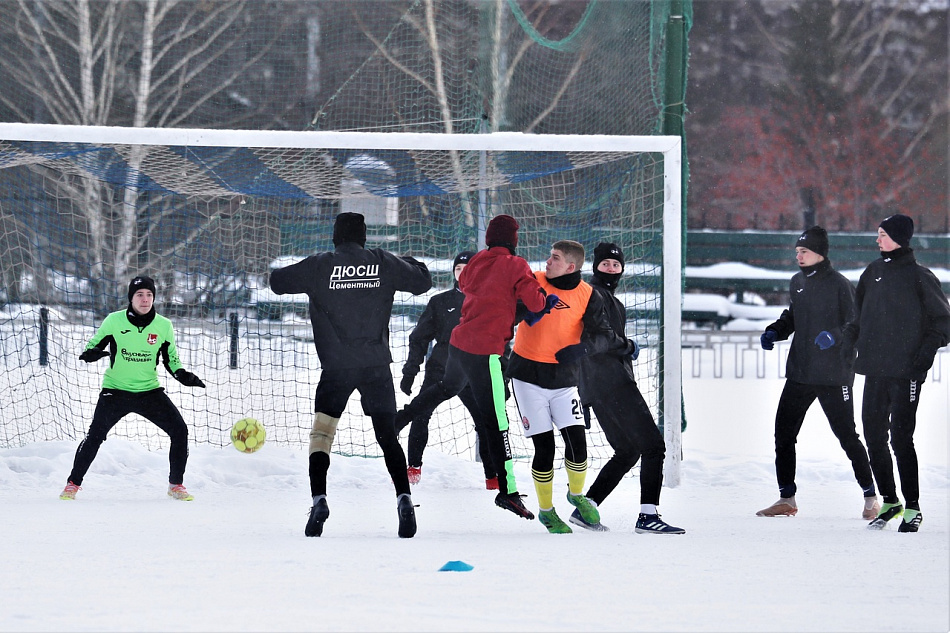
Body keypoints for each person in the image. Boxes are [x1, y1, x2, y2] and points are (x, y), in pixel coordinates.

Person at [269, 212, 432, 538]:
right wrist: (400, 261)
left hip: (336, 368)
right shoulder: (382, 261)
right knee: (388, 437)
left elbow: (276, 282)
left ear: (335, 236)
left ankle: (319, 499)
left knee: (322, 436)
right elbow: (422, 281)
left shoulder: (319, 264)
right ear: (364, 237)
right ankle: (403, 498)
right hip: (375, 366)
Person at [394, 214, 550, 521]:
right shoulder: (517, 266)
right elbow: (536, 304)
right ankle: (508, 491)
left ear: (489, 238)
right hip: (487, 352)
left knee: (445, 388)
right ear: (513, 240)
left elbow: (464, 283)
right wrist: (540, 296)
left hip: (459, 345)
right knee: (497, 422)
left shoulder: (477, 261)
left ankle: (400, 419)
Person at [506, 240, 629, 534]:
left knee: (578, 443)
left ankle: (575, 495)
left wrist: (582, 350)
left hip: (564, 380)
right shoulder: (533, 281)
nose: (548, 261)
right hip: (527, 377)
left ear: (571, 267)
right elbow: (507, 312)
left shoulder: (588, 295)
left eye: (555, 258)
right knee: (544, 447)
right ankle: (547, 512)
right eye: (549, 256)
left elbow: (605, 336)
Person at [756, 227, 879, 519]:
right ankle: (786, 498)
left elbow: (856, 323)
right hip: (800, 371)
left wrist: (834, 336)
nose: (798, 256)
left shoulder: (839, 284)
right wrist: (776, 331)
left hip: (834, 375)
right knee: (783, 434)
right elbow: (794, 315)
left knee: (847, 435)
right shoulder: (797, 282)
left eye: (804, 252)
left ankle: (871, 497)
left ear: (820, 254)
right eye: (797, 251)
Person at [842, 214, 950, 532]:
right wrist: (847, 344)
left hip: (906, 372)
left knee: (901, 438)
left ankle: (913, 507)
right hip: (874, 369)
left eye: (882, 234)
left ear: (900, 238)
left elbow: (943, 323)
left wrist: (923, 356)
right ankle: (890, 501)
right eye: (877, 234)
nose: (877, 239)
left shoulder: (920, 276)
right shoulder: (873, 273)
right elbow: (857, 317)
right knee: (874, 437)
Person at [60, 275, 206, 502]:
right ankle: (72, 484)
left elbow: (171, 360)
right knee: (94, 436)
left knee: (180, 431)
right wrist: (91, 354)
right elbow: (93, 345)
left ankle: (176, 485)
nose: (145, 299)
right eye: (139, 295)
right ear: (131, 298)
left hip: (149, 392)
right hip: (115, 391)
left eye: (149, 294)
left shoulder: (164, 326)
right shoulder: (114, 321)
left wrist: (183, 375)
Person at [575, 243, 685, 534]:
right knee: (653, 447)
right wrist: (629, 346)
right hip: (612, 383)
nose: (611, 269)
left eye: (616, 265)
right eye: (605, 264)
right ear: (595, 266)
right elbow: (600, 341)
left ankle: (587, 507)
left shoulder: (608, 299)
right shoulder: (595, 295)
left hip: (599, 386)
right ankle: (648, 516)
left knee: (627, 451)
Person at [397, 251, 499, 489]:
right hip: (441, 371)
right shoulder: (440, 302)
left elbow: (501, 341)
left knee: (486, 421)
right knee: (420, 415)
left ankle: (492, 476)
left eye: (468, 268)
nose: (463, 273)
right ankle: (413, 468)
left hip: (474, 372)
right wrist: (411, 370)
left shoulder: (489, 301)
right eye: (458, 269)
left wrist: (501, 377)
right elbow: (419, 337)